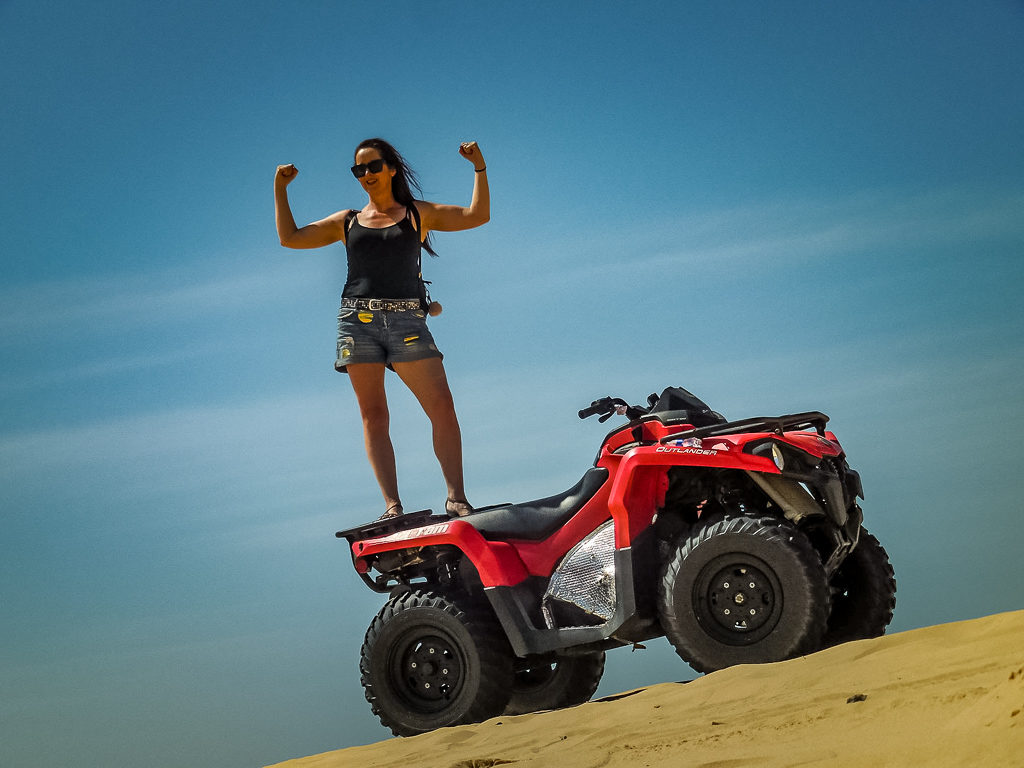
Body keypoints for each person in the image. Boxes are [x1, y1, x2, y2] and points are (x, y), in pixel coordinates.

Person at [274, 139, 489, 520]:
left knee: (442, 405)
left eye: (373, 167)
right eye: (359, 170)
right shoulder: (347, 221)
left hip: (408, 322)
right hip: (356, 321)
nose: (367, 175)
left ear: (390, 168)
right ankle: (392, 506)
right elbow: (290, 238)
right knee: (374, 415)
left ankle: (456, 497)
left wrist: (479, 168)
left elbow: (477, 216)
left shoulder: (417, 214)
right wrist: (280, 188)